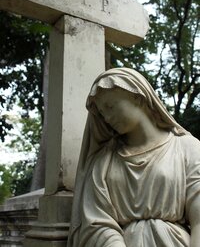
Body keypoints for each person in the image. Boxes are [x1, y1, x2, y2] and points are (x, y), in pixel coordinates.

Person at [67, 68, 200, 247]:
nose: (107, 117)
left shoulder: (187, 148)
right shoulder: (103, 162)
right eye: (102, 112)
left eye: (110, 107)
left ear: (137, 96)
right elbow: (96, 224)